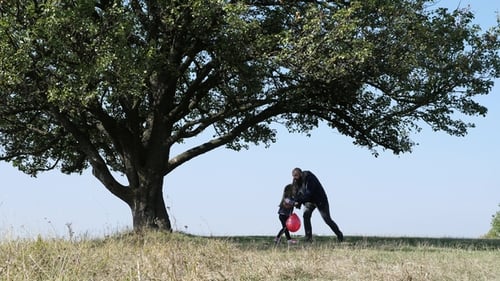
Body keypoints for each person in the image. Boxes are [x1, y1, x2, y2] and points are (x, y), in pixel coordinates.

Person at [292, 167, 344, 242]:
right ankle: (308, 238)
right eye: (293, 176)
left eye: (296, 176)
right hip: (309, 201)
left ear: (300, 173)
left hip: (320, 200)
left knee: (327, 220)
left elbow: (309, 193)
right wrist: (295, 201)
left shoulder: (310, 178)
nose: (295, 178)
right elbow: (295, 191)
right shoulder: (295, 180)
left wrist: (299, 201)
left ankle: (339, 235)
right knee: (306, 216)